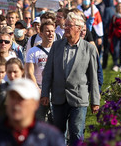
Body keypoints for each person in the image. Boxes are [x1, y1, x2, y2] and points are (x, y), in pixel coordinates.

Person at [40, 11, 100, 146]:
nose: (65, 28)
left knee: (76, 132)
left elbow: (93, 77)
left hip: (79, 98)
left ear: (79, 28)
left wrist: (95, 100)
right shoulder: (56, 46)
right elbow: (48, 72)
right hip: (58, 97)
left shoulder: (89, 48)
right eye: (65, 25)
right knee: (58, 133)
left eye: (69, 25)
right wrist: (45, 93)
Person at [0, 78, 65, 146]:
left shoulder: (51, 137)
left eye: (21, 98)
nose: (15, 103)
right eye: (12, 97)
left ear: (35, 104)